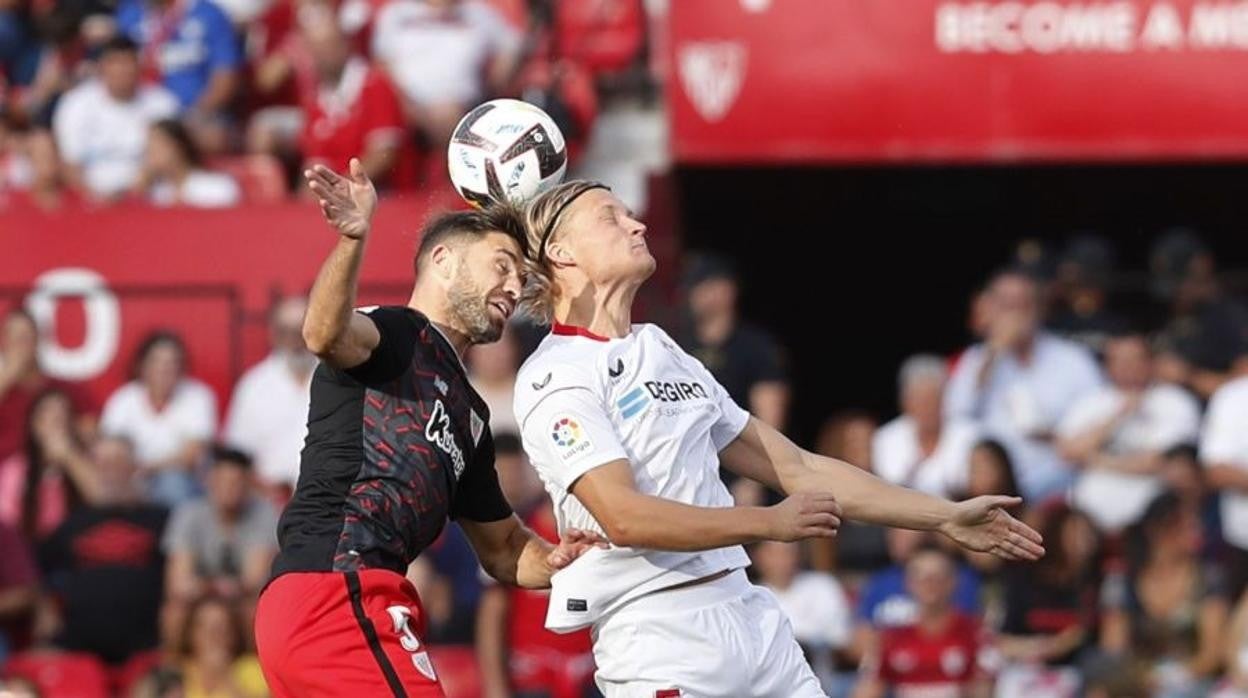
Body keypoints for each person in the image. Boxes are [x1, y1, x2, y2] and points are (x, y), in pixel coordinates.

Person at [512, 180, 1044, 697]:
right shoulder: (556, 376)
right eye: (611, 216)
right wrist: (768, 523)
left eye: (630, 212)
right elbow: (624, 517)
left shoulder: (662, 348)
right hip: (658, 633)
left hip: (748, 613)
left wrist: (945, 516)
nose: (636, 223)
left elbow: (800, 469)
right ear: (561, 252)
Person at [252, 159, 604, 697]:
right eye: (502, 265)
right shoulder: (398, 333)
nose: (514, 287)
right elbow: (323, 333)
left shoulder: (471, 415)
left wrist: (558, 559)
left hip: (334, 604)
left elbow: (505, 549)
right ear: (442, 261)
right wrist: (352, 240)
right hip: (337, 594)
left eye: (520, 277)